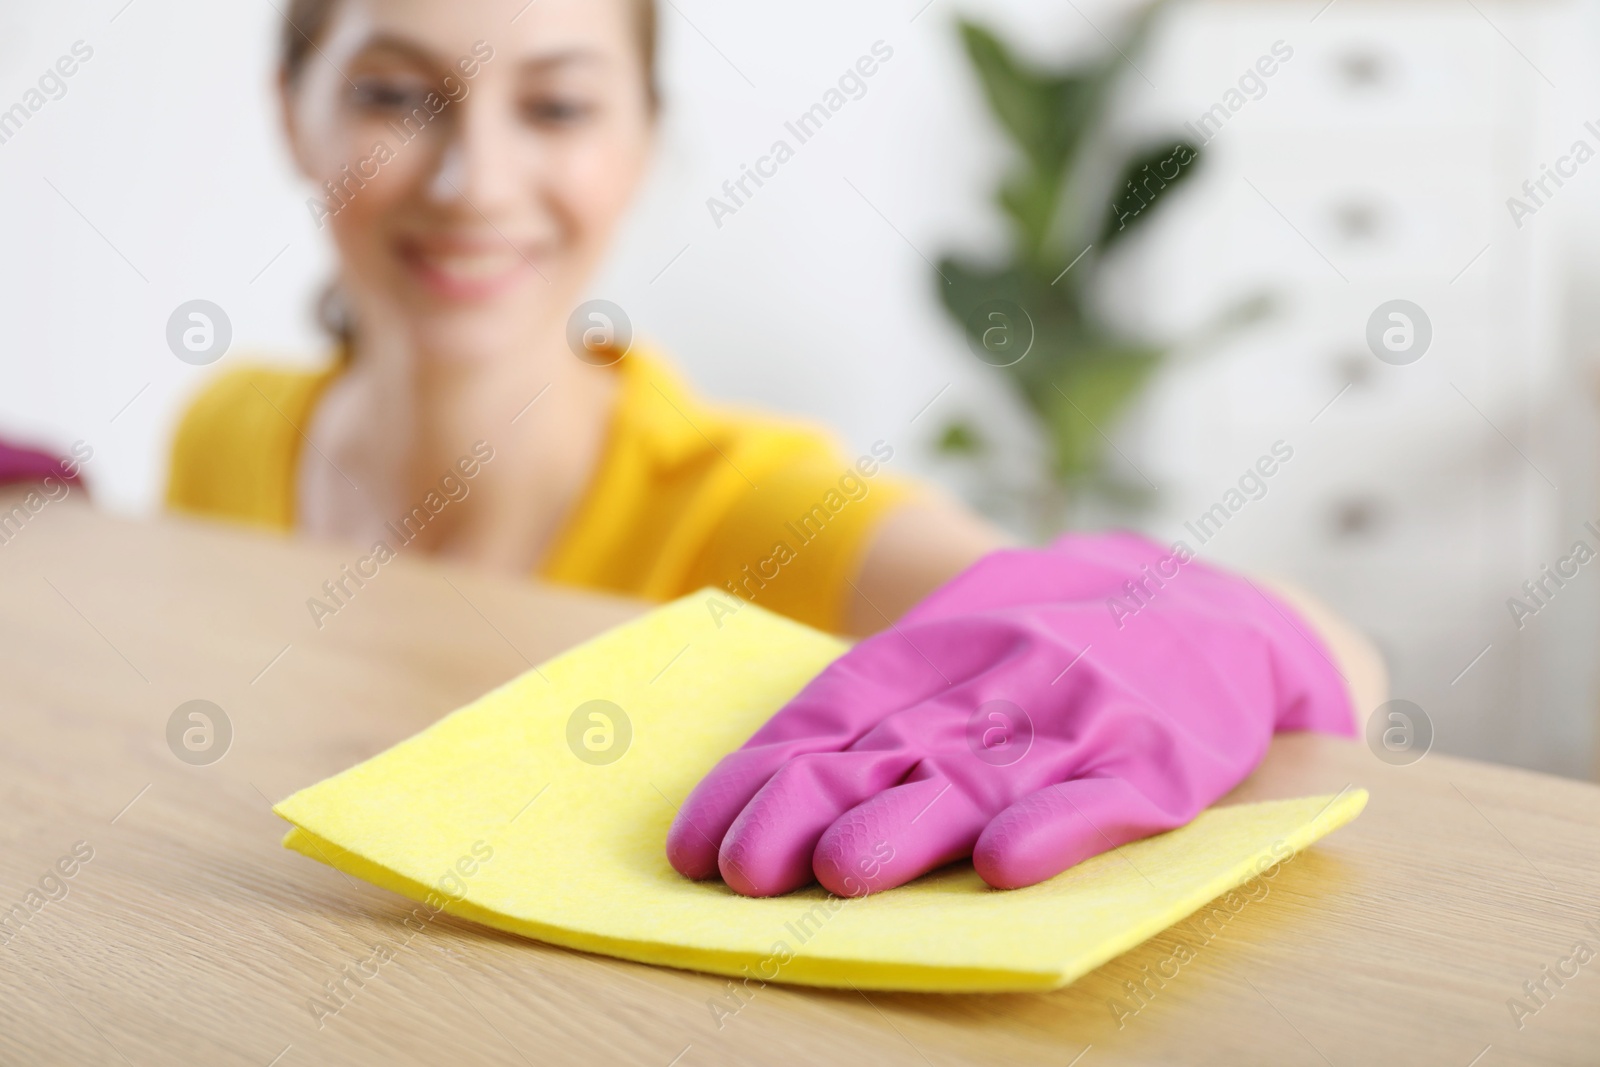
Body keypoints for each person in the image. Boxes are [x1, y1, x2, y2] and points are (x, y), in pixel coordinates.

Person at [167, 0, 1385, 898]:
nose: (473, 177)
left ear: (641, 144)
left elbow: (1336, 657)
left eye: (556, 105)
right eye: (394, 95)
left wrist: (1199, 643)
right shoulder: (224, 434)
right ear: (291, 111)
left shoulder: (762, 512)